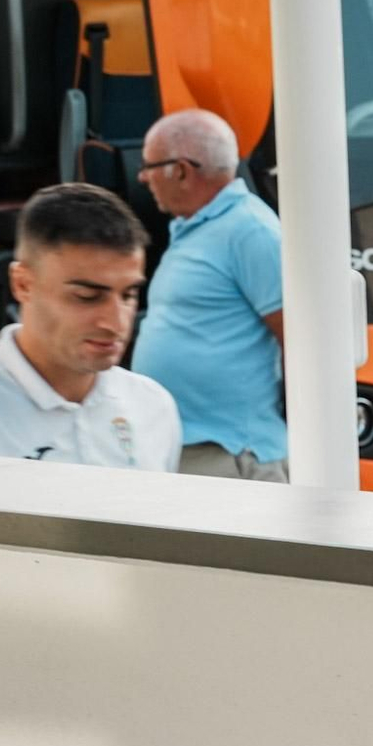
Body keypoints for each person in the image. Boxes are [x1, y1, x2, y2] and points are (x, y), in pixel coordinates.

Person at [0, 183, 179, 470]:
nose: (116, 322)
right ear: (22, 284)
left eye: (128, 295)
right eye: (87, 297)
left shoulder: (153, 407)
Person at [130, 108, 288, 481]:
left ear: (181, 170)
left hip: (230, 456)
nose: (142, 178)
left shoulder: (251, 230)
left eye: (149, 166)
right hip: (192, 450)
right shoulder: (203, 226)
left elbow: (299, 339)